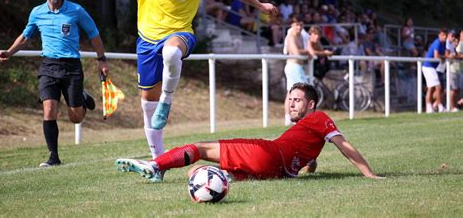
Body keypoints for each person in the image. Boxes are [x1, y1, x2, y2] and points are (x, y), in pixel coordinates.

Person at [103, 0, 278, 179]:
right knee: (147, 106)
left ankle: (168, 100)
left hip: (180, 32)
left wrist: (258, 4)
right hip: (147, 39)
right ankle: (156, 163)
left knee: (172, 53)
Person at [115, 83, 383, 182]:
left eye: (297, 100)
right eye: (289, 99)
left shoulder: (320, 118)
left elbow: (343, 144)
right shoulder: (307, 129)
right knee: (198, 174)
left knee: (200, 148)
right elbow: (307, 159)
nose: (291, 103)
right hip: (274, 172)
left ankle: (156, 166)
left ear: (311, 105)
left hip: (267, 152)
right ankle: (213, 181)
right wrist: (310, 164)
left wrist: (369, 174)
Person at [0, 0, 109, 167]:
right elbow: (25, 37)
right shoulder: (37, 12)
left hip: (71, 66)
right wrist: (9, 52)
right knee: (49, 110)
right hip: (48, 66)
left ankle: (81, 99)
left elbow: (94, 35)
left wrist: (102, 60)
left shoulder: (76, 10)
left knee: (75, 118)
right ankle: (53, 157)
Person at [283, 15, 310, 125]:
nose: (299, 27)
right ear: (292, 25)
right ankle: (292, 117)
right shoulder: (291, 36)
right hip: (293, 67)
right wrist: (307, 51)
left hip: (298, 67)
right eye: (297, 25)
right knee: (297, 94)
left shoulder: (301, 37)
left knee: (291, 94)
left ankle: (291, 118)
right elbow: (296, 52)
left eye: (301, 25)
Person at [422, 29, 447, 113]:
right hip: (428, 66)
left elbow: (443, 57)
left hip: (431, 67)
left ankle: (429, 107)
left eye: (445, 35)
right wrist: (444, 57)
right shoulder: (437, 42)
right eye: (443, 35)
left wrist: (443, 57)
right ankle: (439, 106)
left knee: (431, 88)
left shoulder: (444, 44)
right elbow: (437, 56)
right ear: (439, 35)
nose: (444, 37)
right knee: (438, 87)